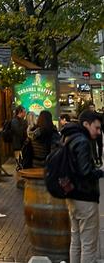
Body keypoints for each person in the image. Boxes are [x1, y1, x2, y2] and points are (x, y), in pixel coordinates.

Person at [62, 109, 103, 263]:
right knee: (88, 245)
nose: (99, 132)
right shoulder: (83, 141)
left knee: (76, 240)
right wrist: (100, 172)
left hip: (72, 196)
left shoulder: (69, 137)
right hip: (85, 197)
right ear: (86, 124)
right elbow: (85, 172)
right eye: (96, 128)